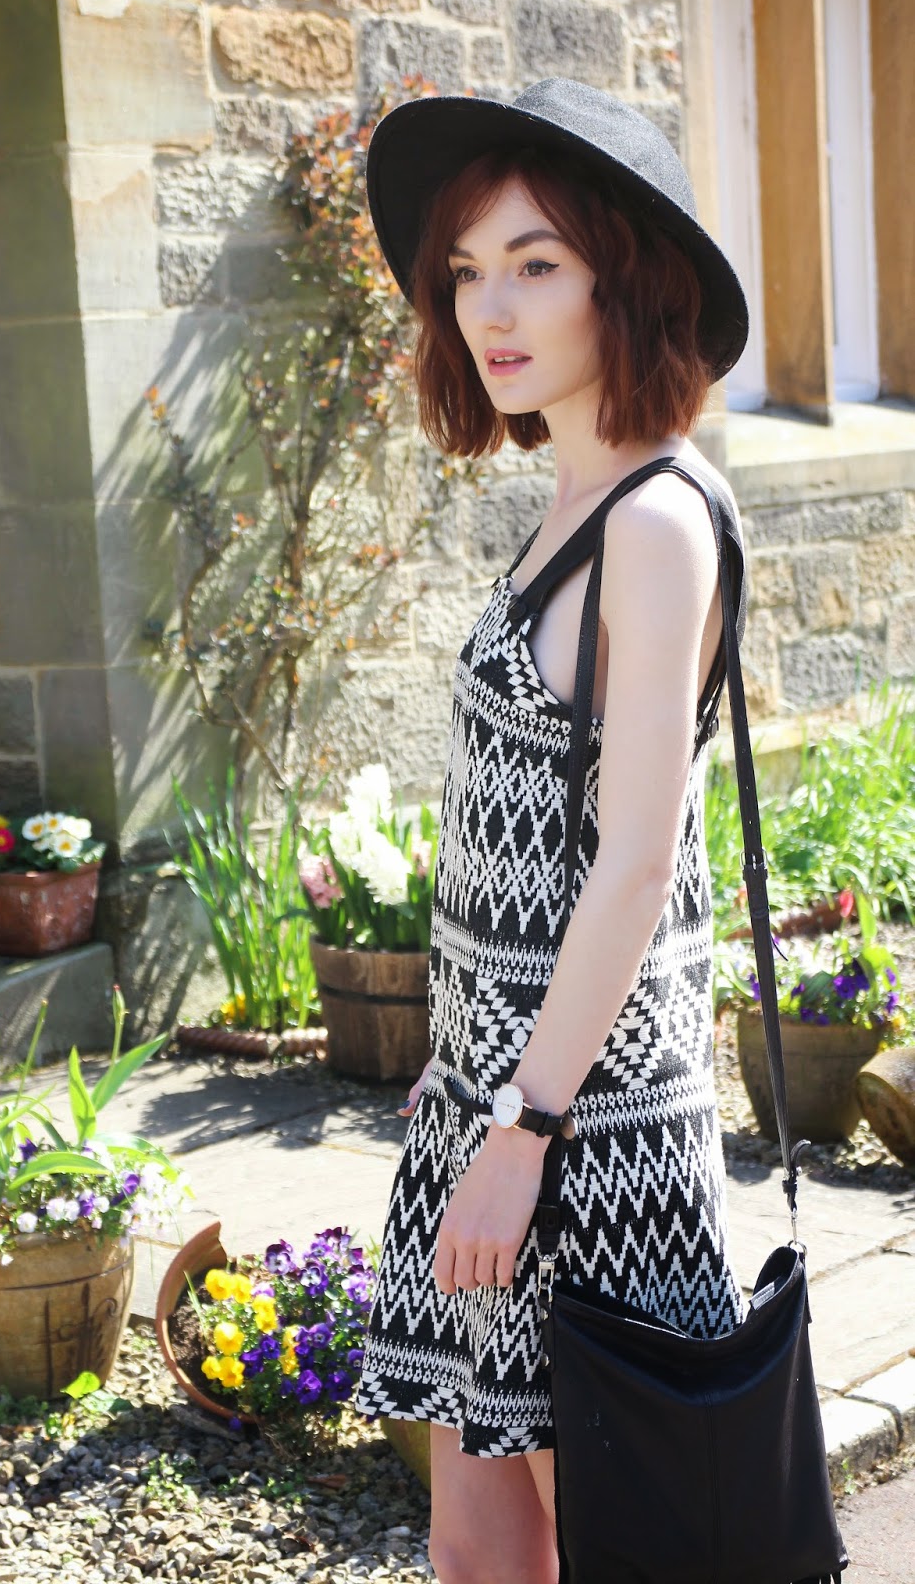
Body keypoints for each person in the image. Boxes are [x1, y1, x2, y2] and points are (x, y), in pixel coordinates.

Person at [353, 78, 752, 1583]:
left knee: (624, 1541)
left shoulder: (652, 520)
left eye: (535, 263)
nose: (490, 308)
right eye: (466, 270)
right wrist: (462, 1080)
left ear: (622, 279)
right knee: (477, 1541)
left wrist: (522, 1129)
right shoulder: (573, 499)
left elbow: (635, 861)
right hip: (496, 1092)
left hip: (587, 1132)